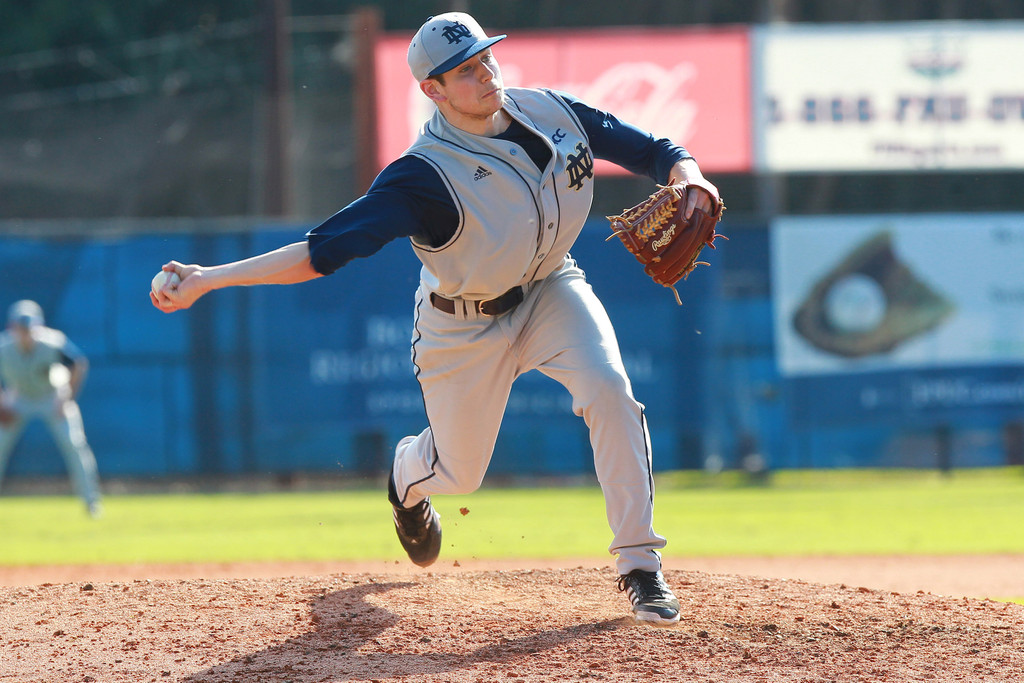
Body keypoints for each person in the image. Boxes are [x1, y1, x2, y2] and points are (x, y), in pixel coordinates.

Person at [151, 12, 721, 626]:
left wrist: (687, 174)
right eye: (464, 71)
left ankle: (640, 566)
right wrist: (210, 280)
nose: (484, 74)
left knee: (611, 391)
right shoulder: (423, 177)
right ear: (434, 91)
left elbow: (654, 151)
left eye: (485, 58)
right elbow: (320, 252)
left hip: (552, 287)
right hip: (463, 325)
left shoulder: (552, 112)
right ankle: (405, 477)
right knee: (459, 472)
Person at [0, 300, 103, 518]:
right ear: (13, 328)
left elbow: (78, 364)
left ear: (39, 326)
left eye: (30, 328)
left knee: (74, 444)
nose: (26, 333)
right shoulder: (3, 347)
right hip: (17, 397)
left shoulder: (53, 342)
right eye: (22, 328)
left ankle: (92, 503)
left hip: (52, 395)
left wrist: (67, 399)